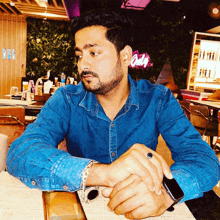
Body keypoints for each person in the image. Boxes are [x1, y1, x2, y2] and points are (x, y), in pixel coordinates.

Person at [7, 9, 220, 219]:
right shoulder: (66, 99)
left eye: (94, 53)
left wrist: (166, 193)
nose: (83, 64)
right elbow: (21, 153)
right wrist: (103, 173)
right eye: (79, 55)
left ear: (125, 55)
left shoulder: (158, 100)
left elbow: (203, 160)